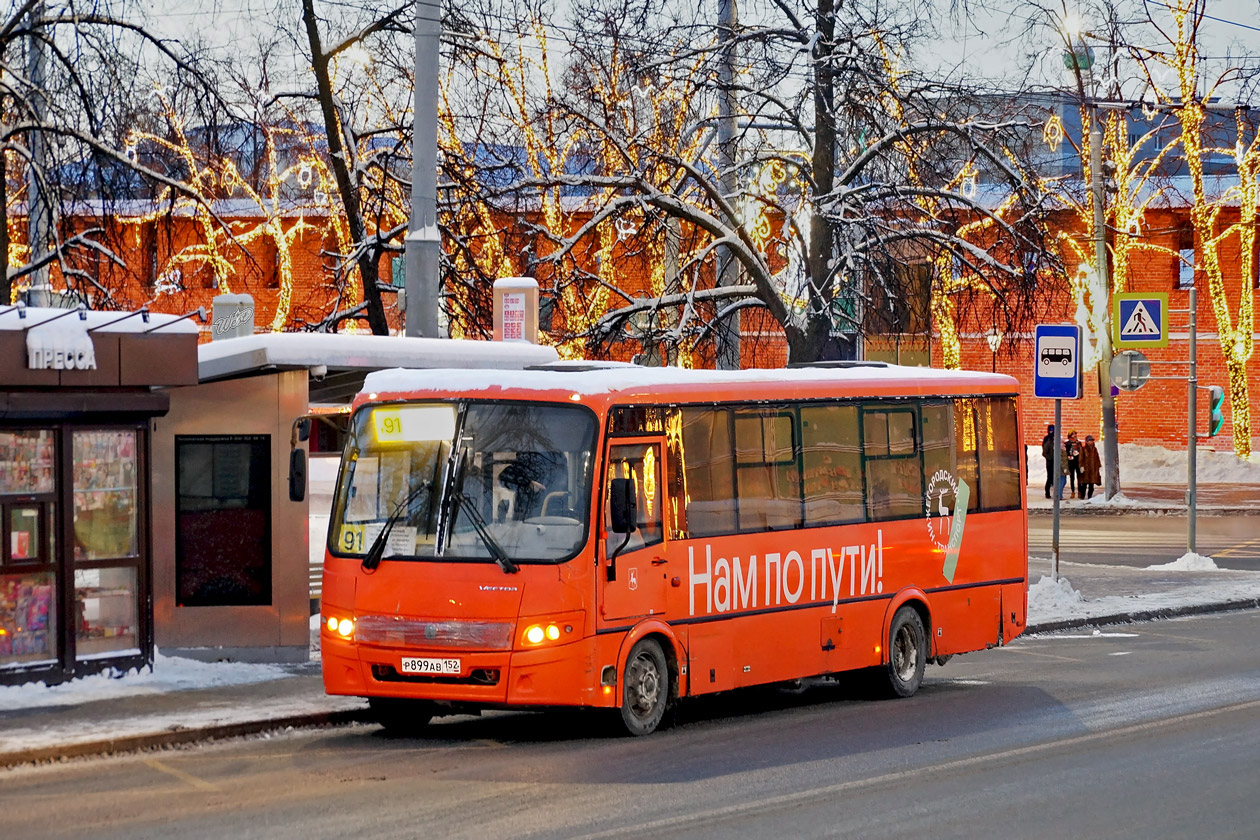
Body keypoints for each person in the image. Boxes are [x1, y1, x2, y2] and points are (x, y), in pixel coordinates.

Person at [1079, 435, 1102, 499]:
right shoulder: (1083, 449)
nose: (1091, 442)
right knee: (1084, 484)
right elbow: (1081, 458)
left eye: (1092, 440)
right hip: (1086, 469)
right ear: (1086, 441)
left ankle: (1090, 497)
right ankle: (1082, 497)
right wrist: (1081, 466)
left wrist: (1098, 466)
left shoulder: (1094, 449)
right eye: (1089, 440)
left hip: (1093, 469)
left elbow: (1097, 458)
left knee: (1091, 485)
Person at [1040, 424, 1055, 499]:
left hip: (1055, 461)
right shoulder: (1047, 439)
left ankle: (1056, 492)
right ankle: (1047, 492)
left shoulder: (1057, 438)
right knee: (1049, 477)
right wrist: (1050, 458)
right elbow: (1044, 452)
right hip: (1050, 461)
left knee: (1055, 477)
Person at [1065, 430, 1082, 498]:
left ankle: (1079, 491)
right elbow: (1066, 452)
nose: (1074, 435)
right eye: (1073, 434)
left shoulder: (1079, 443)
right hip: (1071, 462)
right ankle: (1073, 491)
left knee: (1079, 477)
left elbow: (1081, 451)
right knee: (1072, 478)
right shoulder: (1068, 443)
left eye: (1075, 434)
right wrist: (1069, 456)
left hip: (1077, 461)